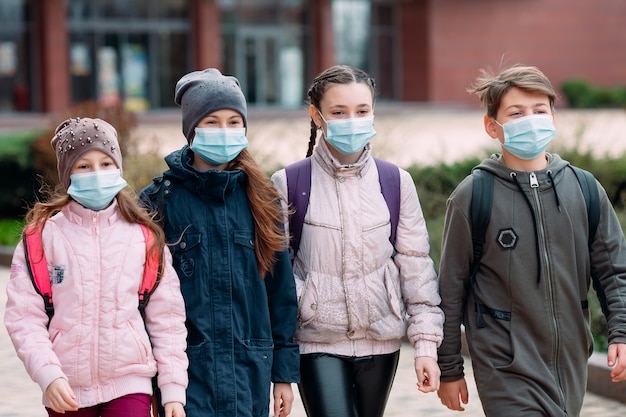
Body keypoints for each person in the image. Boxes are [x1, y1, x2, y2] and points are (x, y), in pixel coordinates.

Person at [437, 65, 626, 416]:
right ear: (492, 126)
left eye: (540, 110)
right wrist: (449, 368)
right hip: (504, 364)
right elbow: (451, 290)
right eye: (517, 113)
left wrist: (621, 333)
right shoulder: (474, 196)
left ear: (553, 116)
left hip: (570, 359)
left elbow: (615, 271)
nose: (531, 120)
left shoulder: (583, 189)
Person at [270, 64, 444, 417]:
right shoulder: (288, 183)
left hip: (381, 341)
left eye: (362, 111)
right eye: (338, 112)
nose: (352, 120)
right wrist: (281, 367)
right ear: (317, 116)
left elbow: (416, 267)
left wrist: (425, 345)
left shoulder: (395, 181)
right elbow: (276, 280)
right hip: (315, 340)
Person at [139, 68, 300, 417]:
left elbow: (281, 292)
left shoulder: (264, 199)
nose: (223, 131)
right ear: (191, 129)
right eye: (211, 122)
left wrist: (284, 374)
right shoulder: (158, 201)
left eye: (233, 121)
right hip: (185, 378)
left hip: (250, 372)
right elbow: (142, 299)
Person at [4, 117, 188, 417]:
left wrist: (173, 392)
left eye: (105, 163)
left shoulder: (144, 237)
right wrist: (48, 374)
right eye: (84, 166)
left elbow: (167, 320)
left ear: (118, 167)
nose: (97, 174)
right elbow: (24, 317)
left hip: (131, 382)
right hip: (66, 385)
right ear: (68, 174)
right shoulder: (41, 239)